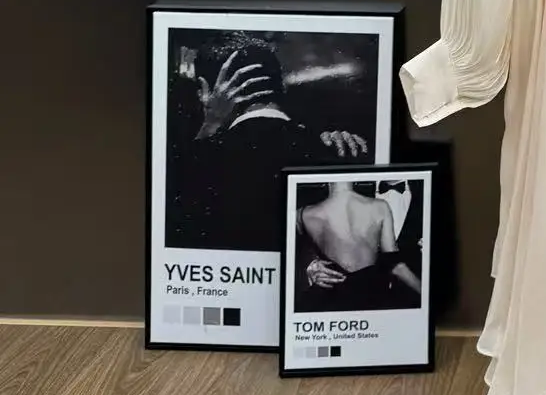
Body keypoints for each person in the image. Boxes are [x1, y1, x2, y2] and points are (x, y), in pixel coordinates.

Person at [169, 35, 368, 252]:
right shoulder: (339, 149)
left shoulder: (192, 162)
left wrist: (210, 124)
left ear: (206, 92)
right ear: (281, 86)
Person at [296, 181, 421, 311]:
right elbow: (394, 263)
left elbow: (283, 248)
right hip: (371, 298)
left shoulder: (302, 214)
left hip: (329, 299)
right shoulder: (380, 206)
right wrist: (310, 265)